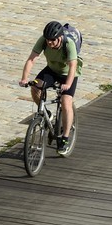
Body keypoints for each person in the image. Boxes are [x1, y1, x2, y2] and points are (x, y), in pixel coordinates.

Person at [20, 20, 82, 153]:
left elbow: (73, 66)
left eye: (52, 40)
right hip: (52, 70)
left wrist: (68, 84)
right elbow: (31, 59)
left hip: (68, 74)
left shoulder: (68, 44)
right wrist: (25, 78)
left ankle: (64, 138)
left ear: (59, 37)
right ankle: (46, 113)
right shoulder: (43, 40)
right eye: (48, 40)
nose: (49, 43)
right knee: (35, 87)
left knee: (66, 102)